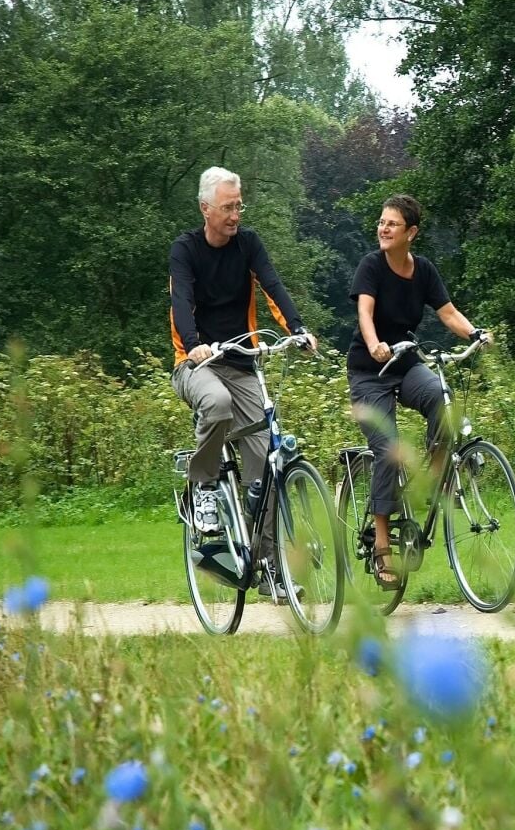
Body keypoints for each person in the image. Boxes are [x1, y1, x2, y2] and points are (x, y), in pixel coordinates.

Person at [169, 166, 317, 601]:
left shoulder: (248, 244)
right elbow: (182, 303)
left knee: (265, 464)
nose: (235, 215)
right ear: (206, 209)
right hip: (197, 366)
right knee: (215, 404)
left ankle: (269, 567)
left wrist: (297, 327)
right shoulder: (186, 249)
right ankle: (204, 487)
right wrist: (193, 347)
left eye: (239, 206)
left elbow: (272, 284)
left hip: (243, 363)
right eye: (228, 207)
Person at [347, 194, 491, 589]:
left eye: (391, 224)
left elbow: (448, 313)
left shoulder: (423, 270)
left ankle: (434, 475)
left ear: (411, 232)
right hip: (369, 371)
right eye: (381, 222)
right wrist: (375, 343)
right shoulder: (371, 266)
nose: (383, 228)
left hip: (406, 363)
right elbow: (365, 312)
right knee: (388, 449)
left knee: (444, 401)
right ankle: (381, 546)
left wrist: (475, 333)